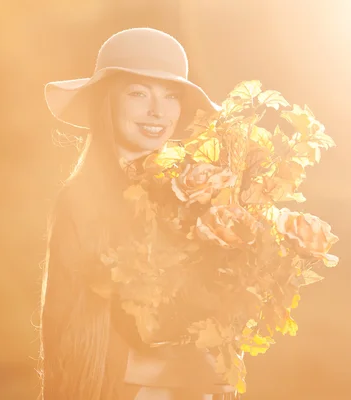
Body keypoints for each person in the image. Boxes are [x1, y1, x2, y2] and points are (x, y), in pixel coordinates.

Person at [39, 28, 237, 400]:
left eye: (171, 96)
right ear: (107, 101)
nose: (157, 111)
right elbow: (68, 342)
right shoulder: (80, 201)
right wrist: (184, 373)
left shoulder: (194, 199)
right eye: (137, 93)